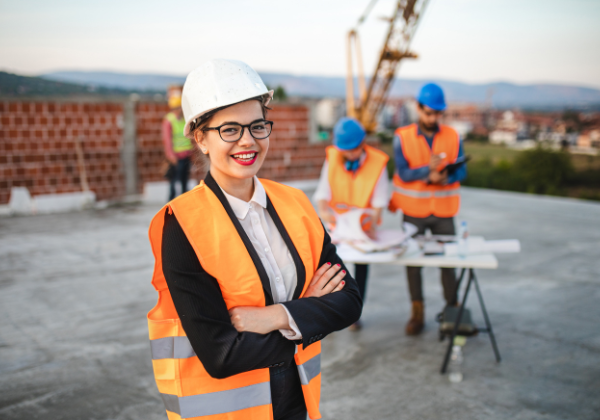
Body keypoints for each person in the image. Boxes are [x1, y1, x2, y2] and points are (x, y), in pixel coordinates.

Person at [147, 59, 362, 420]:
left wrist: (274, 316)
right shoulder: (182, 224)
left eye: (257, 126)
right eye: (229, 129)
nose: (248, 141)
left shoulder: (296, 205)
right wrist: (306, 315)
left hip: (298, 399)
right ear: (200, 138)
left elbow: (349, 301)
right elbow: (221, 355)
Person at [389, 83, 467, 336]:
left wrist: (448, 177)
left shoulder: (453, 137)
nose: (433, 118)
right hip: (414, 211)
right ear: (419, 108)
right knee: (413, 263)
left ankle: (452, 312)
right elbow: (402, 172)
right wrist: (427, 172)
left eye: (438, 113)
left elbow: (463, 170)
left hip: (444, 211)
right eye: (429, 113)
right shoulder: (402, 136)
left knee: (448, 263)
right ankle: (417, 313)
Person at [314, 117, 389, 330]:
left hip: (363, 230)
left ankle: (354, 313)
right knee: (333, 269)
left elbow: (379, 203)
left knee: (361, 270)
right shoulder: (333, 159)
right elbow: (322, 195)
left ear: (363, 143)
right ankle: (333, 311)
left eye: (354, 149)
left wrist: (369, 223)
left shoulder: (377, 164)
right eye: (345, 150)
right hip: (337, 229)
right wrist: (325, 214)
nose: (350, 154)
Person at [162, 86, 194, 200]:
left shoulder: (185, 119)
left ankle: (185, 204)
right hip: (176, 158)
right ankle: (171, 205)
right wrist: (171, 156)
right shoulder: (169, 120)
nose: (180, 110)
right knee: (174, 182)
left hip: (186, 156)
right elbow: (167, 139)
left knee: (185, 182)